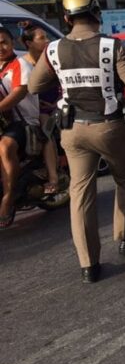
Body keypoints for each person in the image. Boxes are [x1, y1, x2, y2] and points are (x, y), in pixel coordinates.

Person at [28, 0, 125, 283]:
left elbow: (34, 86)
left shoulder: (53, 50)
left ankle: (89, 264)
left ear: (66, 18)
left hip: (72, 131)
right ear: (96, 13)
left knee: (80, 193)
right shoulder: (110, 46)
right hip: (109, 127)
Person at [0, 27, 42, 229]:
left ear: (12, 41)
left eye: (4, 42)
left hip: (25, 122)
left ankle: (8, 197)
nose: (1, 47)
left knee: (5, 146)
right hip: (6, 123)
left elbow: (19, 92)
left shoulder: (20, 64)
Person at [20, 22, 60, 196]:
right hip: (29, 111)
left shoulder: (52, 60)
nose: (47, 40)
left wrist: (56, 103)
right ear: (29, 43)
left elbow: (65, 86)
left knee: (44, 127)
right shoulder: (23, 64)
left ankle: (53, 177)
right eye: (42, 38)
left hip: (52, 110)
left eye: (46, 37)